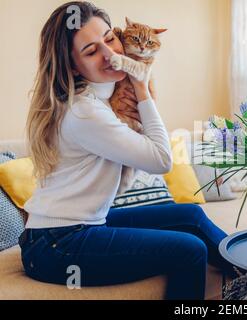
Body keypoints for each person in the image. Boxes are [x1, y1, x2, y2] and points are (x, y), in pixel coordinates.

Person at [20, 1, 231, 300]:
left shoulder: (103, 97)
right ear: (72, 66)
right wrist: (142, 86)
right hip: (58, 243)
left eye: (109, 39)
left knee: (191, 216)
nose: (110, 55)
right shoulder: (85, 112)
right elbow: (161, 160)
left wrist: (137, 84)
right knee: (190, 249)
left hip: (74, 229)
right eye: (91, 52)